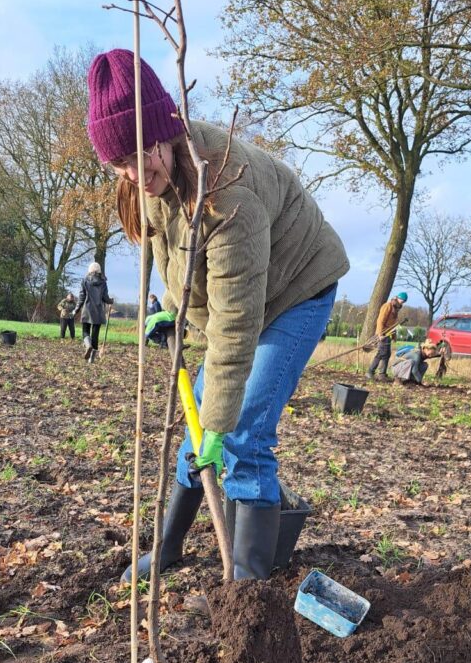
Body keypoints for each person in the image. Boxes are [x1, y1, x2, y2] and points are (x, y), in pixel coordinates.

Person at [87, 48, 349, 582]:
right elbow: (178, 259)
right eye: (119, 164)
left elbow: (235, 324)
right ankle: (168, 548)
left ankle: (247, 585)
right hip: (247, 296)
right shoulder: (151, 178)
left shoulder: (229, 195)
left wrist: (220, 423)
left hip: (295, 292)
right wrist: (171, 310)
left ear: (165, 132)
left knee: (241, 430)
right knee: (198, 427)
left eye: (140, 156)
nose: (133, 174)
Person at [74, 262, 113, 362]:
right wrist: (110, 301)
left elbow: (81, 297)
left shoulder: (85, 280)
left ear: (89, 270)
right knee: (95, 335)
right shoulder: (103, 282)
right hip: (98, 311)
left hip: (87, 309)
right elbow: (105, 297)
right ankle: (91, 359)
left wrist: (76, 309)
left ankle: (88, 345)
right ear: (99, 270)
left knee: (85, 331)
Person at [367, 291, 407, 380]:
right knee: (381, 353)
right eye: (402, 300)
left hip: (388, 333)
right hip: (383, 333)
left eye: (404, 301)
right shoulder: (387, 306)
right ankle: (370, 372)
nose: (402, 302)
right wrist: (380, 334)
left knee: (387, 354)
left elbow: (394, 324)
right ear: (397, 298)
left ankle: (382, 374)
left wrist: (394, 336)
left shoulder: (396, 308)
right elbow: (380, 320)